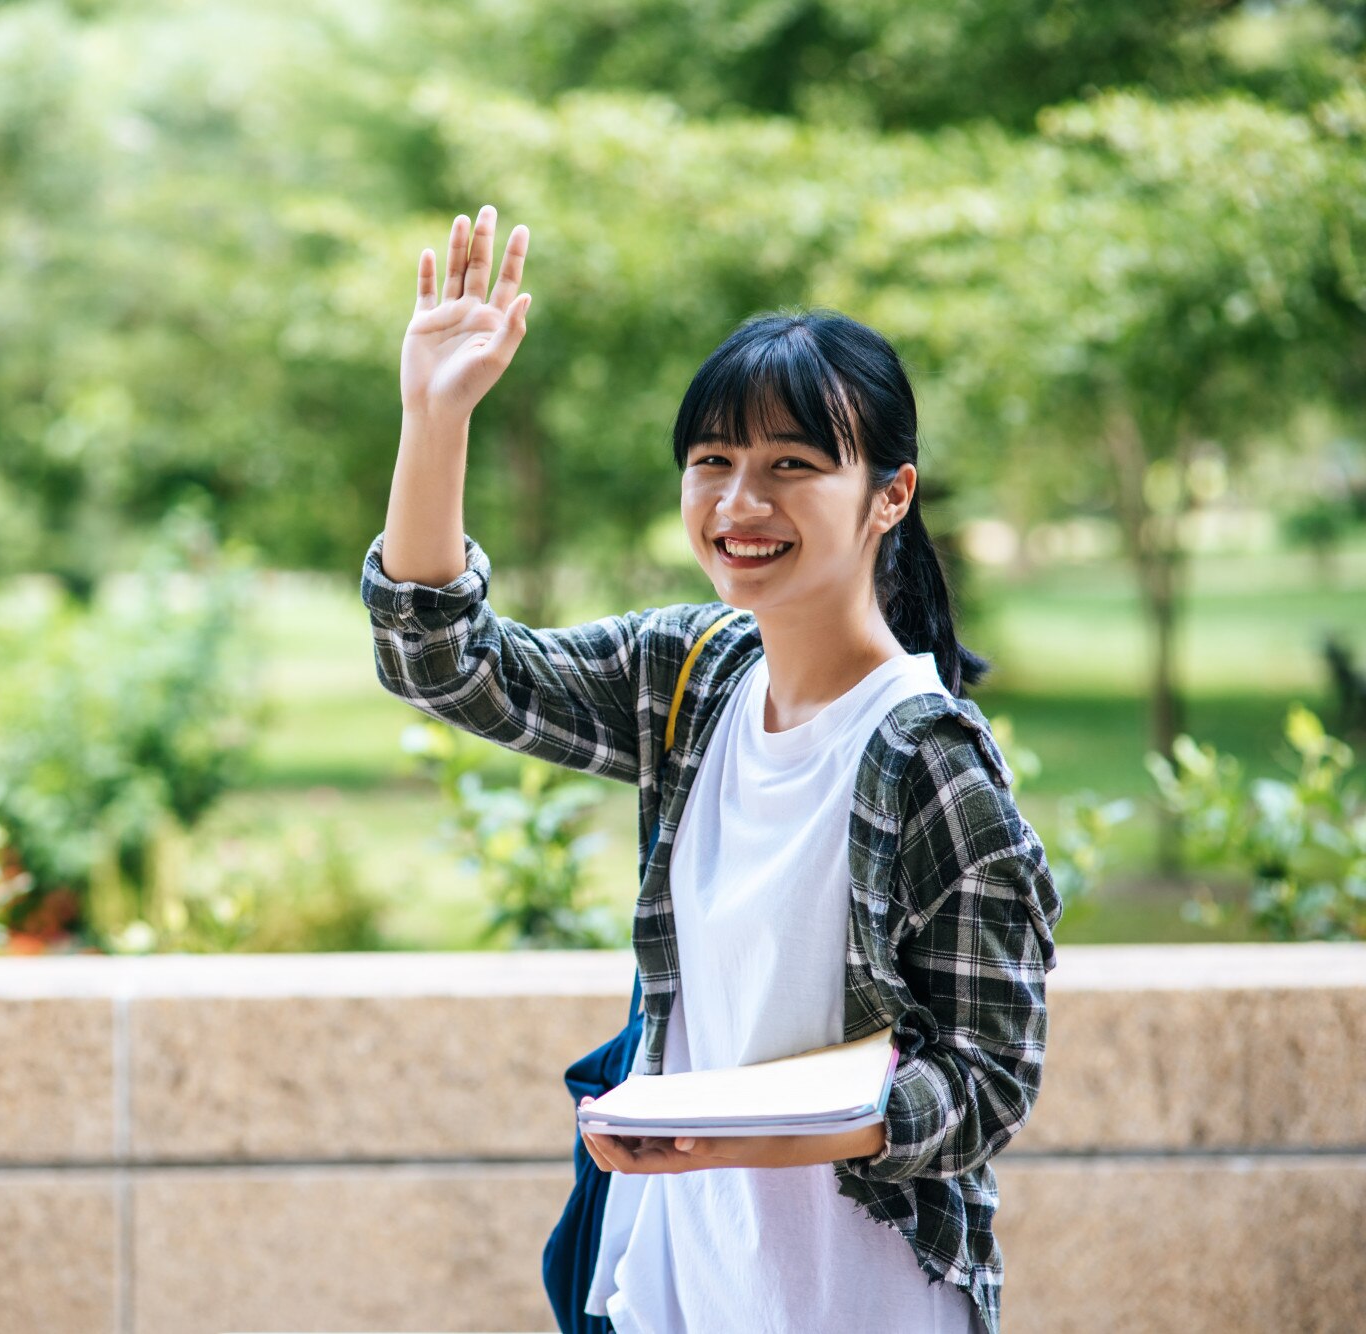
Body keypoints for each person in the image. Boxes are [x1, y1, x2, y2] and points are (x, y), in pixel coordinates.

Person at [360, 205, 1063, 1334]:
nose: (739, 504)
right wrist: (433, 417)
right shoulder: (688, 675)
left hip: (852, 1295)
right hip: (669, 1283)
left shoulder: (926, 759)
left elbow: (986, 1078)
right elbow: (445, 664)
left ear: (890, 493)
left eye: (791, 465)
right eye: (711, 462)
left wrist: (766, 1128)